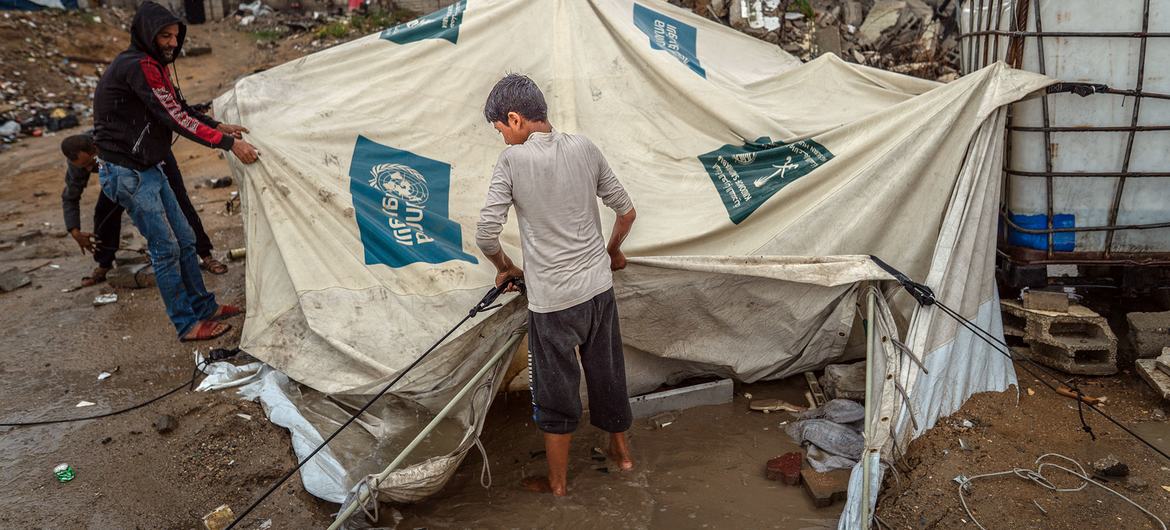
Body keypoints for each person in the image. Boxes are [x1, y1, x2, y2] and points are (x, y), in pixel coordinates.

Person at [476, 74, 638, 496]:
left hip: (552, 305)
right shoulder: (584, 147)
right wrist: (612, 252)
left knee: (555, 394)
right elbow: (626, 212)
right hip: (598, 291)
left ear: (515, 119)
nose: (503, 140)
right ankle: (623, 458)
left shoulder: (512, 162)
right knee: (608, 376)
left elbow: (485, 235)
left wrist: (506, 266)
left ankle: (559, 485)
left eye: (501, 131)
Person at [93, 1, 259, 341]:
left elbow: (177, 106)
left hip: (147, 167)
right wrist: (228, 144)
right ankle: (187, 324)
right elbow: (174, 118)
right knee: (165, 249)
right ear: (146, 34)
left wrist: (216, 124)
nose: (171, 42)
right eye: (164, 36)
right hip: (128, 172)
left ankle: (204, 307)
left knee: (185, 241)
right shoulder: (139, 66)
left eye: (175, 36)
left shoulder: (152, 64)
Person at [60, 134, 228, 287]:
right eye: (84, 167)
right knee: (105, 211)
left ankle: (205, 255)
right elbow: (70, 196)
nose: (89, 170)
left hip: (153, 158)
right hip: (117, 174)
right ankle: (104, 263)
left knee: (180, 203)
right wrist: (74, 230)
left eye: (90, 163)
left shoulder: (112, 137)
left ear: (95, 148)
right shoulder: (78, 164)